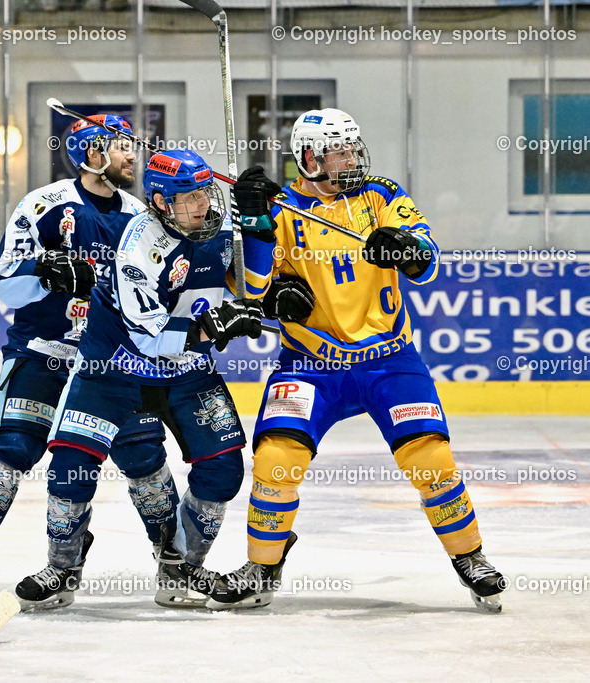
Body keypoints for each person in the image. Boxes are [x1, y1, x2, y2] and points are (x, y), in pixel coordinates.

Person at [209, 108, 505, 612]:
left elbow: (427, 261)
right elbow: (251, 290)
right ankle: (261, 567)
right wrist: (255, 224)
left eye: (353, 148)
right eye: (339, 152)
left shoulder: (381, 195)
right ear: (309, 159)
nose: (352, 158)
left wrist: (406, 247)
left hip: (390, 361)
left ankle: (470, 556)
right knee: (276, 462)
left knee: (431, 459)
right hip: (309, 364)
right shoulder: (280, 209)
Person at [0, 115, 181, 609]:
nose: (133, 155)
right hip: (44, 352)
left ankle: (173, 557)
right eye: (122, 146)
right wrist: (44, 268)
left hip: (114, 362)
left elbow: (167, 285)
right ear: (94, 154)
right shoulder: (44, 205)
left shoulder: (142, 218)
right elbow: (5, 281)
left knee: (143, 457)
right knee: (11, 448)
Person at [15, 149, 265, 609]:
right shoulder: (138, 245)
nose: (203, 205)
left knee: (224, 468)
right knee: (71, 464)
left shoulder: (221, 229)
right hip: (114, 366)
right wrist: (210, 328)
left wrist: (259, 220)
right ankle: (63, 567)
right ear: (161, 202)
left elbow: (258, 283)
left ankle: (180, 565)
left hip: (188, 369)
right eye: (189, 197)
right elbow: (149, 336)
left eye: (205, 193)